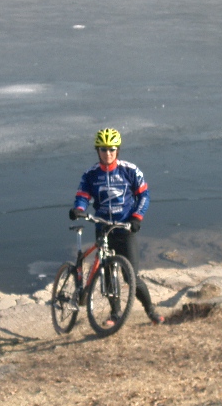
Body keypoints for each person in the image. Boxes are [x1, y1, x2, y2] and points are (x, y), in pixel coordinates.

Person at [69, 128, 164, 325]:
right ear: (98, 151)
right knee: (107, 272)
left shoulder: (130, 170)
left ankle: (151, 311)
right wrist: (79, 209)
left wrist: (137, 217)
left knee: (131, 277)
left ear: (117, 150)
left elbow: (144, 196)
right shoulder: (90, 174)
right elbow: (83, 196)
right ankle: (115, 313)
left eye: (112, 149)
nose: (108, 153)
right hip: (103, 228)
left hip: (125, 228)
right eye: (103, 149)